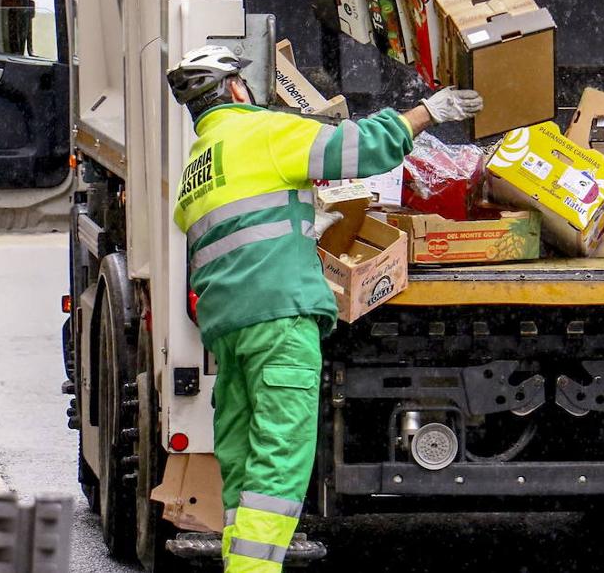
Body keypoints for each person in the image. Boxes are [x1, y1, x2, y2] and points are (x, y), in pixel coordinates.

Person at [167, 45, 482, 572]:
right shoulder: (263, 132)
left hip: (229, 331)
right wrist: (429, 110)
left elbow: (234, 233)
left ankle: (240, 564)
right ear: (236, 92)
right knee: (281, 461)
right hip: (281, 321)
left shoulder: (197, 168)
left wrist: (301, 221)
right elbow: (359, 149)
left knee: (243, 461)